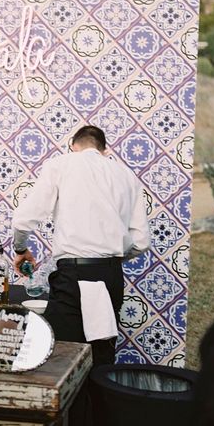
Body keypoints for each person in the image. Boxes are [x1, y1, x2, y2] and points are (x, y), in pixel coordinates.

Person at [12, 125, 151, 366]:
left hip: (74, 274)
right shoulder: (127, 176)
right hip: (111, 275)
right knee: (101, 355)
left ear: (73, 146)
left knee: (61, 356)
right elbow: (141, 242)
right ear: (104, 150)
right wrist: (107, 258)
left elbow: (23, 219)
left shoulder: (61, 164)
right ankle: (98, 403)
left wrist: (21, 249)